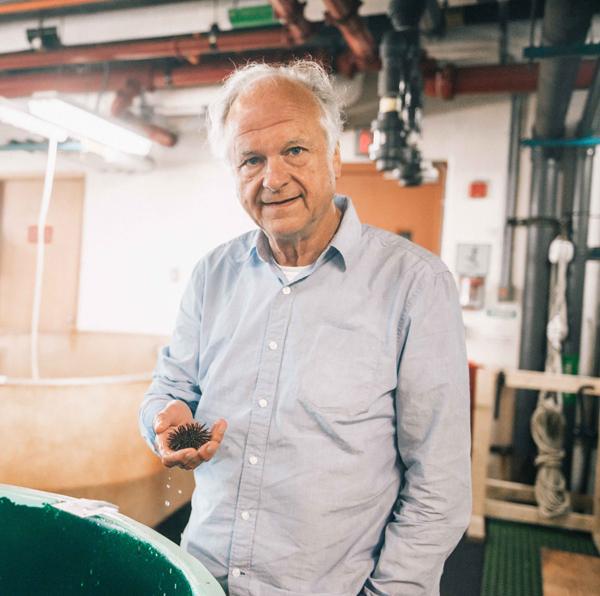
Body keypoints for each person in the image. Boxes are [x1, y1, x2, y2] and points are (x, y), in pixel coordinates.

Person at [139, 60, 471, 596]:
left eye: (294, 150)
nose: (273, 179)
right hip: (200, 580)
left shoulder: (415, 285)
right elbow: (167, 390)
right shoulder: (212, 276)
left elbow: (440, 484)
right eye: (251, 159)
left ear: (334, 154)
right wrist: (163, 418)